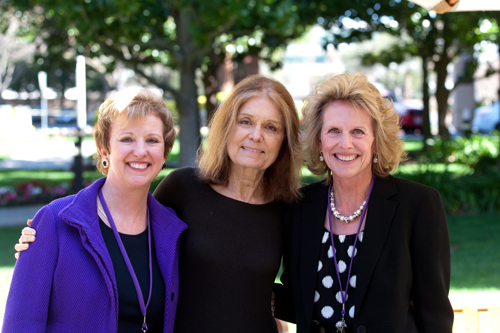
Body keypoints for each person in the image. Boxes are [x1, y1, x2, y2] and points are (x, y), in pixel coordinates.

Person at [14, 74, 302, 333]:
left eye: (272, 127)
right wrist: (40, 245)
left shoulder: (290, 208)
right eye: (246, 121)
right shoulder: (183, 189)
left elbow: (299, 290)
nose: (256, 135)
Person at [274, 73, 454, 332]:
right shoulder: (299, 206)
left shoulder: (417, 205)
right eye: (333, 131)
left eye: (358, 131)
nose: (345, 143)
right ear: (319, 141)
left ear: (376, 141)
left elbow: (434, 313)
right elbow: (297, 300)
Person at [4, 88, 187, 333]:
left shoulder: (172, 230)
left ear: (164, 154)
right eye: (127, 139)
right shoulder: (55, 222)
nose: (141, 151)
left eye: (152, 140)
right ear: (104, 151)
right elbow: (21, 325)